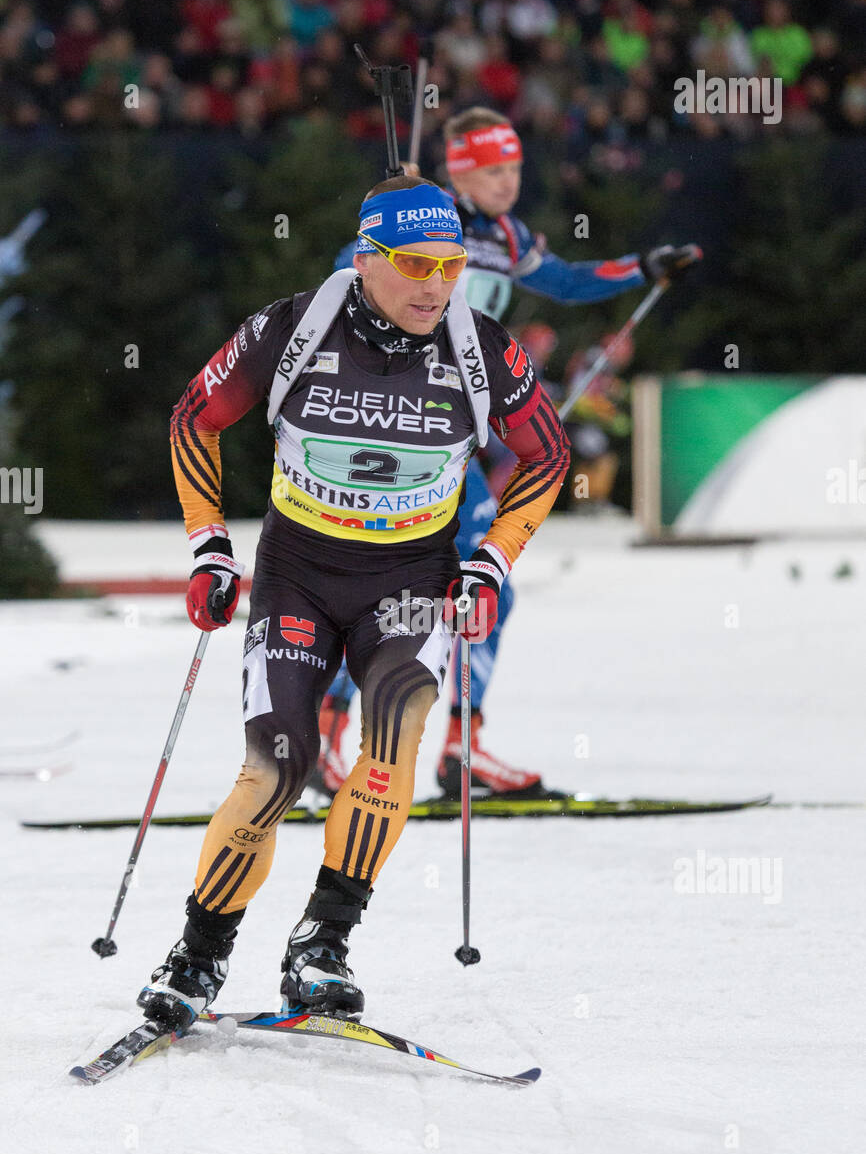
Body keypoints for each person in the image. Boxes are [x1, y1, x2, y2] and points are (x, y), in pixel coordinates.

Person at [136, 175, 570, 1030]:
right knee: (276, 768)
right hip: (298, 573)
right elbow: (196, 416)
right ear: (367, 258)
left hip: (410, 582)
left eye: (450, 265)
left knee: (388, 750)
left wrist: (490, 565)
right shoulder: (294, 325)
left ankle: (322, 944)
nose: (435, 284)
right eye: (413, 263)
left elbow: (547, 457)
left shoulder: (480, 345)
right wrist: (209, 547)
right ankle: (200, 950)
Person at [318, 107, 698, 798]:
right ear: (459, 167)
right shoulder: (426, 221)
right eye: (493, 169)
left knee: (482, 588)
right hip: (398, 429)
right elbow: (350, 275)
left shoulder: (503, 233)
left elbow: (564, 280)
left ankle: (455, 745)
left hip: (452, 439)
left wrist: (640, 269)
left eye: (516, 167)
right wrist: (387, 214)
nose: (508, 181)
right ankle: (335, 738)